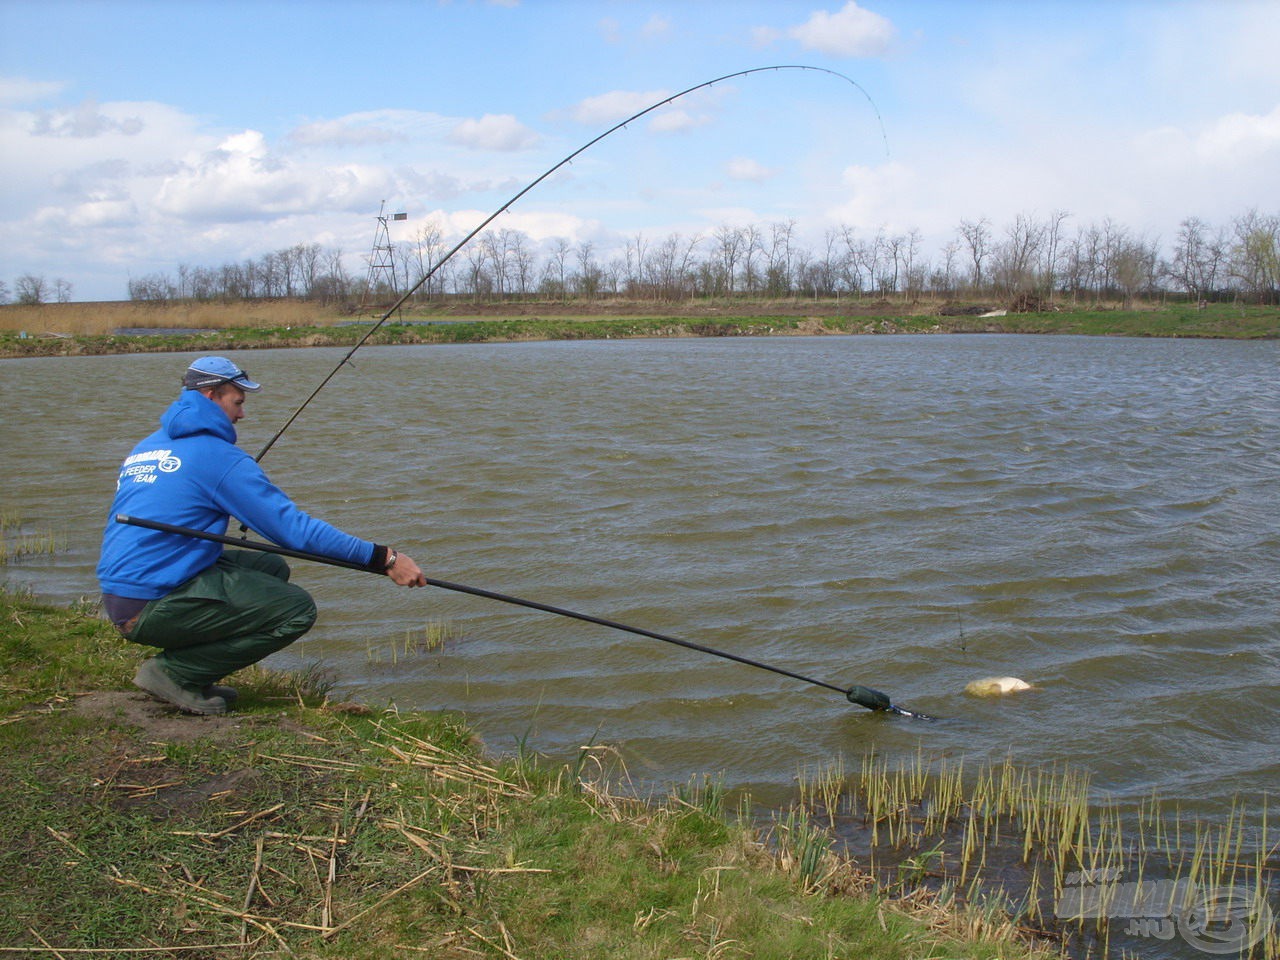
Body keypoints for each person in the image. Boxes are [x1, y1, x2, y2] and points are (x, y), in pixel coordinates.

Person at [97, 355, 427, 715]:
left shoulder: (149, 446)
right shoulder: (218, 458)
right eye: (237, 402)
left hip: (121, 593)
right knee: (295, 609)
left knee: (270, 567)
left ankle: (198, 669)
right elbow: (293, 531)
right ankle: (173, 673)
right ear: (210, 395)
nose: (242, 414)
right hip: (147, 605)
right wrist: (385, 559)